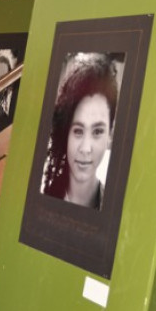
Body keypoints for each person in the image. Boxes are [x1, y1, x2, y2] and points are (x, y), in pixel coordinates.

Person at [42, 52, 118, 209]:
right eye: (77, 131)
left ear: (110, 134)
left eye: (97, 132)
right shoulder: (41, 198)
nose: (85, 148)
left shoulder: (113, 209)